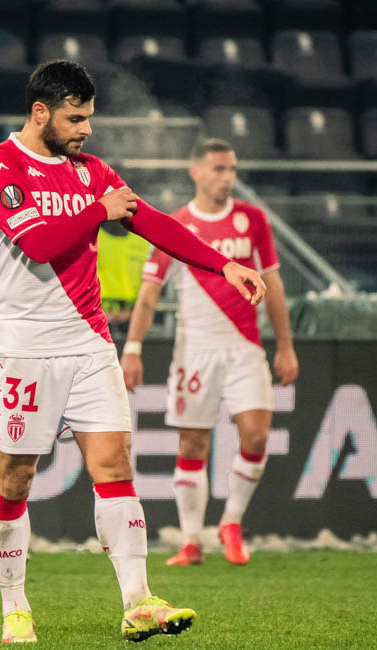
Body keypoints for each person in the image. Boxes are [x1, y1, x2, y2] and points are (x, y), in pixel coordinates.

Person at [0, 60, 267, 644]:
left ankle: (138, 601)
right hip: (21, 349)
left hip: (87, 341)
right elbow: (40, 245)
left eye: (89, 118)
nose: (86, 129)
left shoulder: (92, 173)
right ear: (40, 112)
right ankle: (15, 605)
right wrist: (97, 211)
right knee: (13, 479)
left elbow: (152, 221)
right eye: (74, 118)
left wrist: (224, 264)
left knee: (114, 465)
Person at [121, 138, 299, 567]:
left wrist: (285, 346)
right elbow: (149, 294)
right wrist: (133, 348)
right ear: (195, 172)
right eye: (219, 169)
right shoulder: (176, 225)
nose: (227, 178)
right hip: (195, 351)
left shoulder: (252, 220)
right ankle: (191, 540)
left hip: (244, 347)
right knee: (192, 444)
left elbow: (273, 284)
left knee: (256, 435)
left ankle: (231, 522)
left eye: (232, 169)